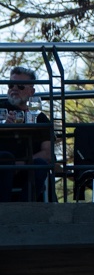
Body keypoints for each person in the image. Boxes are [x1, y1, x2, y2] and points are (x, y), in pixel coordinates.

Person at [0, 66, 52, 202]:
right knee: (6, 158)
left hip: (26, 169)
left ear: (31, 91)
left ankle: (26, 210)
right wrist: (3, 126)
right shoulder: (1, 109)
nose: (14, 89)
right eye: (11, 85)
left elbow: (48, 153)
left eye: (21, 86)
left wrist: (21, 164)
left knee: (40, 165)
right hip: (2, 167)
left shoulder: (40, 118)